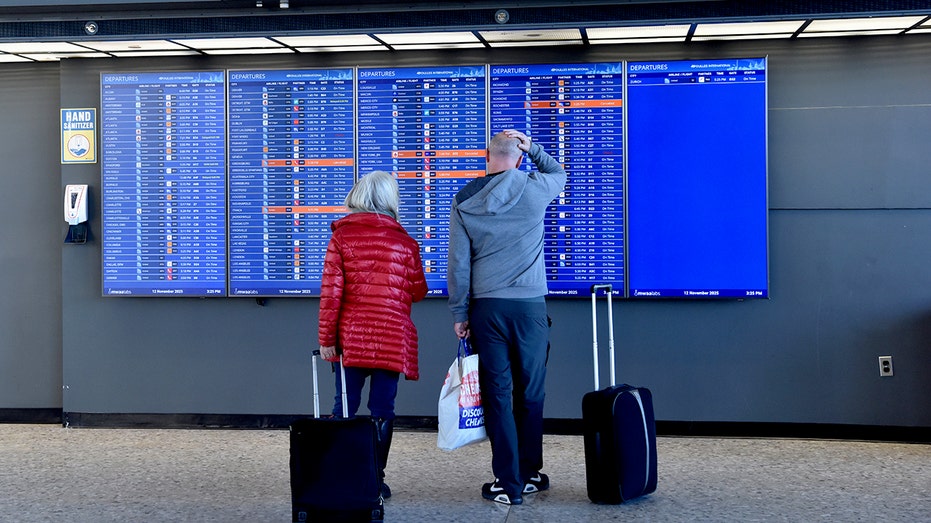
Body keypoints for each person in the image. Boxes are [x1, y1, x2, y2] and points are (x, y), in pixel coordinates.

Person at [447, 129, 567, 505]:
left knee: (498, 395)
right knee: (531, 391)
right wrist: (536, 149)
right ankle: (530, 474)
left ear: (487, 157)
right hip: (530, 307)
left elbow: (459, 264)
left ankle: (507, 483)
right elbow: (559, 173)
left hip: (488, 310)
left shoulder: (465, 199)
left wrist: (460, 312)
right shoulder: (535, 189)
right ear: (518, 159)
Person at [318, 170, 428, 499]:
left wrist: (326, 339)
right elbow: (418, 291)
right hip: (392, 336)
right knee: (383, 409)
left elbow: (330, 294)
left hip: (351, 337)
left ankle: (344, 477)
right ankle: (375, 481)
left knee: (344, 409)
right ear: (391, 200)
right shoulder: (405, 241)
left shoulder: (341, 237)